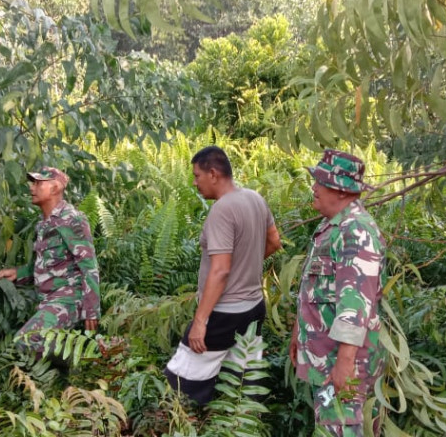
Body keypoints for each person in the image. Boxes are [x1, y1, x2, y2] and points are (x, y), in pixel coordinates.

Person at [164, 146, 282, 405]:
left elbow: (220, 270)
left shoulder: (222, 210)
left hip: (224, 312)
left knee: (180, 386)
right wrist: (246, 265)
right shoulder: (255, 199)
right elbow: (274, 241)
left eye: (197, 176)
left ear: (214, 174)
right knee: (241, 383)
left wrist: (200, 321)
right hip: (254, 308)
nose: (195, 183)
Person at [290, 149, 386, 437]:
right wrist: (298, 331)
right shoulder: (332, 226)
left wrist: (345, 363)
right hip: (327, 357)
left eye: (321, 182)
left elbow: (356, 302)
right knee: (331, 425)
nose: (314, 188)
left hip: (345, 361)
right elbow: (318, 289)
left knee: (341, 429)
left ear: (342, 191)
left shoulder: (355, 231)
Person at [0, 167, 100, 356]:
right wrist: (19, 274)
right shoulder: (43, 224)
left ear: (55, 188)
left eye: (37, 183)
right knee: (26, 342)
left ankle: (80, 359)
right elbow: (45, 264)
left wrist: (91, 310)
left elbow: (89, 267)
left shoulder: (72, 220)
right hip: (47, 299)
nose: (31, 188)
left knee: (25, 341)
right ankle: (65, 368)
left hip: (68, 299)